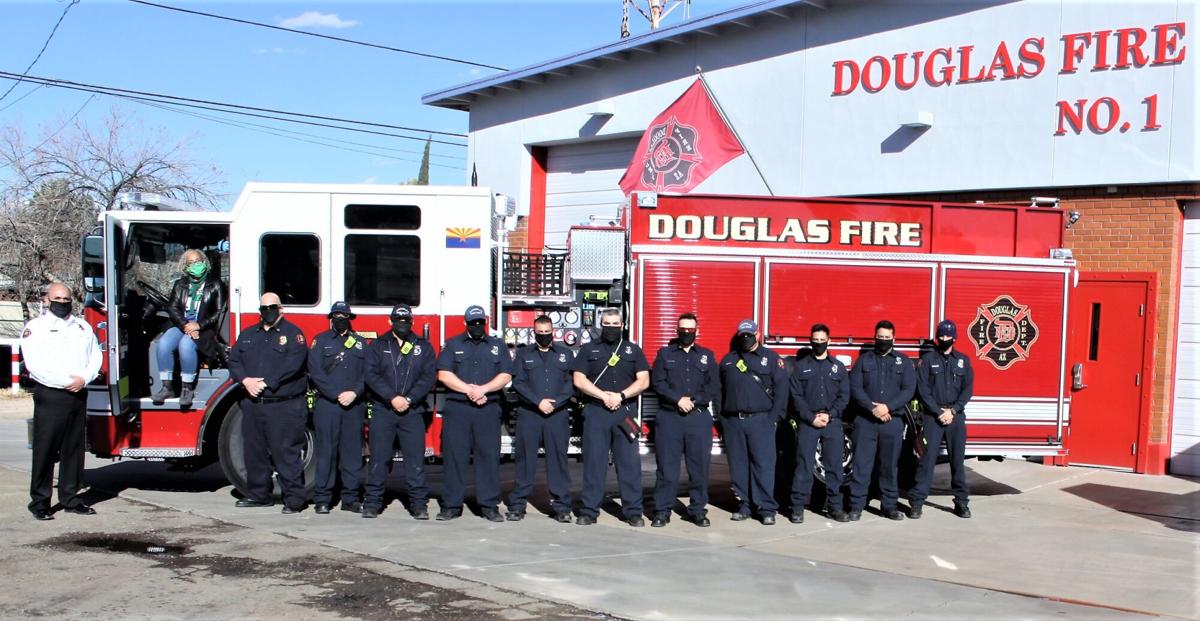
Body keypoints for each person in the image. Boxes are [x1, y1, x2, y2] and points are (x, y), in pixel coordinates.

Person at [22, 283, 103, 520]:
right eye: (57, 298)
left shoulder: (82, 327)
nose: (62, 303)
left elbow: (95, 356)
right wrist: (63, 382)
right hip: (51, 394)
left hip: (78, 393)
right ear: (47, 300)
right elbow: (34, 364)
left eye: (66, 299)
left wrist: (83, 379)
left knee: (74, 449)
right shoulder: (35, 328)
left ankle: (70, 497)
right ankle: (39, 502)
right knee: (45, 449)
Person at [227, 292, 309, 514]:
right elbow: (234, 360)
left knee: (286, 454)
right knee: (254, 453)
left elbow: (294, 364)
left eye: (272, 307)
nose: (268, 311)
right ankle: (258, 495)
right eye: (264, 308)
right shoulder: (248, 335)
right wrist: (245, 381)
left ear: (281, 309)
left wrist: (264, 383)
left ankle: (293, 500)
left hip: (283, 405)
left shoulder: (293, 335)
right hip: (253, 403)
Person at [436, 305, 514, 522]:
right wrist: (470, 390)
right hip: (458, 408)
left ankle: (489, 506)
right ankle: (451, 505)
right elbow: (444, 374)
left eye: (480, 322)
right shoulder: (453, 344)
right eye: (473, 323)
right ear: (466, 324)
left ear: (485, 323)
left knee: (489, 457)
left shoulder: (497, 346)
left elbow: (506, 374)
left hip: (488, 408)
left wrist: (483, 389)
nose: (477, 326)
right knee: (454, 457)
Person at [573, 309, 651, 526]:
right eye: (607, 323)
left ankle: (633, 511)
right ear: (601, 324)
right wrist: (603, 396)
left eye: (615, 323)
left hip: (624, 413)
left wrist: (621, 396)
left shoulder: (633, 350)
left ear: (622, 324)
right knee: (594, 463)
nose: (611, 327)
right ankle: (589, 510)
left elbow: (644, 380)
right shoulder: (588, 349)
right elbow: (578, 379)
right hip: (596, 411)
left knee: (629, 464)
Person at [363, 304, 437, 519]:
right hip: (383, 409)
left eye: (406, 321)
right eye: (398, 320)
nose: (402, 324)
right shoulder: (377, 345)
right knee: (378, 460)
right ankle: (373, 503)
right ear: (390, 321)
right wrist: (392, 397)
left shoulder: (423, 346)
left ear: (412, 322)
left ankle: (418, 505)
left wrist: (409, 399)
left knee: (415, 462)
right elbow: (371, 375)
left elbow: (428, 376)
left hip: (412, 411)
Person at [650, 313, 720, 528]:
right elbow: (658, 383)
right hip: (670, 418)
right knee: (666, 469)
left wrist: (696, 400)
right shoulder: (664, 354)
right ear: (676, 330)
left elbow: (714, 386)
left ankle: (697, 510)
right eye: (683, 330)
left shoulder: (707, 356)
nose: (686, 334)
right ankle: (662, 511)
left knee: (699, 468)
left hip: (697, 418)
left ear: (697, 331)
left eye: (690, 330)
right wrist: (677, 399)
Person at [506, 315, 576, 523]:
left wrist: (555, 403)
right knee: (525, 460)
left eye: (547, 333)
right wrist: (538, 402)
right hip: (530, 413)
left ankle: (562, 506)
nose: (544, 336)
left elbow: (571, 382)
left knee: (558, 460)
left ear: (553, 331)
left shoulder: (565, 354)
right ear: (533, 332)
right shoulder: (523, 354)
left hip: (557, 414)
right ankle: (518, 505)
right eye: (540, 333)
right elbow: (518, 382)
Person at [719, 319, 789, 525]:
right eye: (742, 335)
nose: (746, 338)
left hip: (761, 421)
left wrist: (772, 419)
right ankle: (744, 505)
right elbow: (718, 391)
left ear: (758, 335)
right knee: (739, 466)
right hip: (733, 422)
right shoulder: (729, 360)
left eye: (750, 334)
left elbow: (782, 391)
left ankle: (766, 507)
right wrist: (723, 418)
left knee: (763, 465)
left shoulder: (772, 359)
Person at [847, 320, 916, 521]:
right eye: (880, 337)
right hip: (865, 421)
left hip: (892, 422)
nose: (883, 341)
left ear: (894, 338)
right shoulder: (864, 361)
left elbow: (908, 390)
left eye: (887, 338)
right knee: (861, 465)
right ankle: (856, 506)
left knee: (889, 466)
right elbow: (855, 388)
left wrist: (888, 407)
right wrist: (872, 408)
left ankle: (889, 506)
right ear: (874, 337)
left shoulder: (903, 362)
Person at [909, 320, 975, 519]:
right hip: (933, 416)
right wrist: (938, 412)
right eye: (941, 336)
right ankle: (917, 503)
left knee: (957, 461)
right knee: (926, 461)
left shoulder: (963, 360)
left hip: (955, 416)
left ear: (954, 338)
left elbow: (967, 389)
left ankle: (961, 503)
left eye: (948, 336)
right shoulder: (928, 360)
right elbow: (923, 390)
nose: (944, 339)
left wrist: (953, 410)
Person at [307, 301, 366, 515]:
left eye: (344, 316)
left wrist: (354, 393)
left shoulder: (360, 343)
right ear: (331, 318)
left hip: (353, 405)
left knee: (352, 455)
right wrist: (335, 394)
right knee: (326, 454)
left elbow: (367, 373)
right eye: (337, 315)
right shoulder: (320, 342)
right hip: (328, 405)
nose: (341, 319)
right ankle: (323, 499)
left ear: (350, 319)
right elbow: (316, 372)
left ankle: (350, 498)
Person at [788, 323, 851, 524]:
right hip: (808, 422)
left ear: (829, 341)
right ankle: (797, 508)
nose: (819, 344)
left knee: (834, 467)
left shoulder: (838, 367)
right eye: (815, 341)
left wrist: (830, 415)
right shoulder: (801, 366)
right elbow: (796, 396)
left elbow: (844, 396)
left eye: (822, 341)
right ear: (810, 341)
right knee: (803, 466)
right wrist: (810, 417)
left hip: (832, 422)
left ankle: (834, 508)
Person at [151, 249, 228, 410]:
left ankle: (187, 388)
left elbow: (219, 311)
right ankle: (167, 386)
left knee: (186, 345)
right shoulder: (180, 284)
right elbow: (173, 308)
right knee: (163, 343)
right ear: (186, 267)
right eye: (191, 263)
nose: (195, 265)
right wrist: (186, 325)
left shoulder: (215, 284)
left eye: (198, 261)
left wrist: (199, 325)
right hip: (183, 324)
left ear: (204, 262)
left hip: (205, 327)